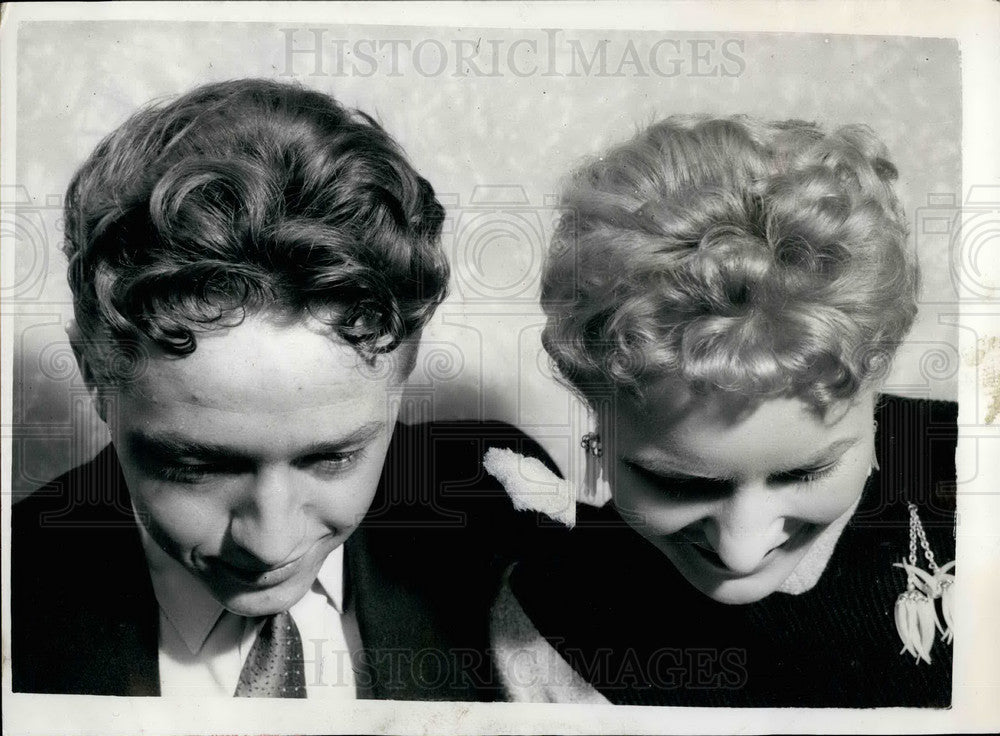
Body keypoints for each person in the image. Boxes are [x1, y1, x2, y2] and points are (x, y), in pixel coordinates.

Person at [11, 79, 553, 700]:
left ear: (404, 372)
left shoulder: (503, 504)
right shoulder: (17, 595)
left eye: (332, 458)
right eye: (197, 467)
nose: (270, 543)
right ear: (93, 373)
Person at [490, 115, 958, 706]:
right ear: (598, 427)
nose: (741, 550)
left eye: (805, 472)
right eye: (673, 482)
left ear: (874, 388)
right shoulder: (554, 625)